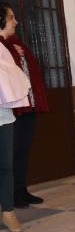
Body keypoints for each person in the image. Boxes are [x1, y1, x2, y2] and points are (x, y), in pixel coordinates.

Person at [2, 33, 49, 208]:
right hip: (13, 108)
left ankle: (22, 190)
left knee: (23, 150)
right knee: (11, 153)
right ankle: (11, 195)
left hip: (28, 105)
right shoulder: (3, 47)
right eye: (11, 18)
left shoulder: (16, 43)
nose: (15, 22)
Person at [0, 3, 30, 232]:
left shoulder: (7, 47)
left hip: (4, 114)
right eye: (11, 17)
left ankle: (8, 211)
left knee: (6, 165)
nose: (15, 22)